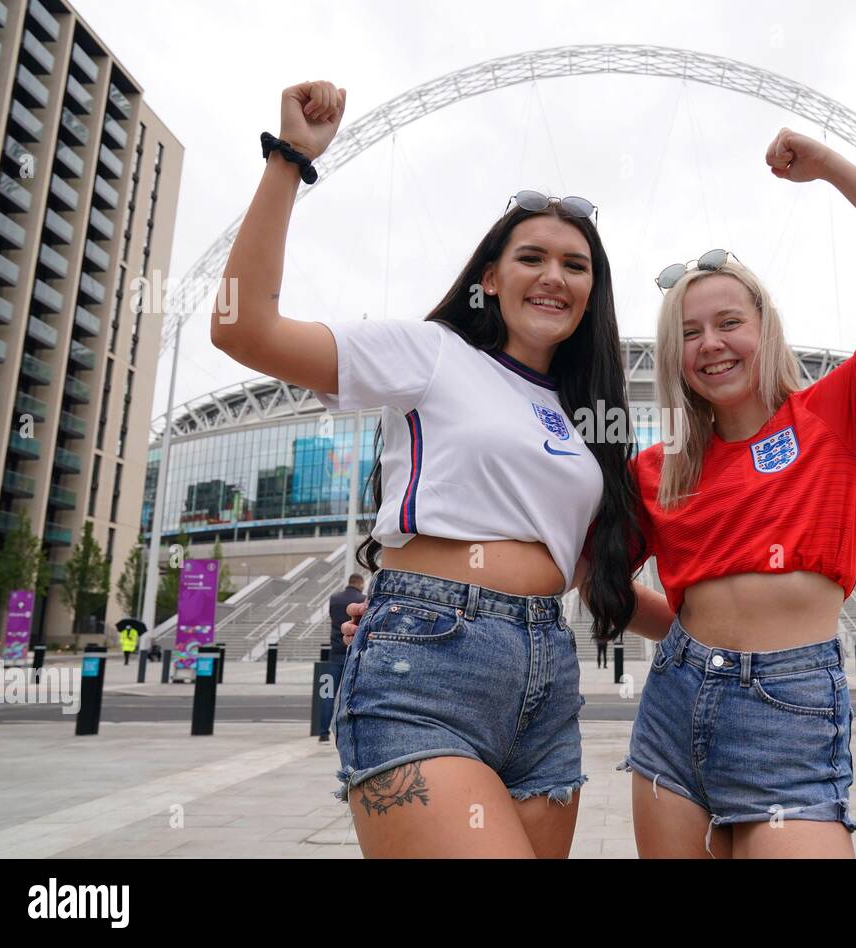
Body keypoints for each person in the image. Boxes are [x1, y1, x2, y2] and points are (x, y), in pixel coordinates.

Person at [348, 128, 856, 858]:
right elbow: (574, 572)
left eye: (728, 323)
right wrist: (409, 594)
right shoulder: (655, 470)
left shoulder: (837, 412)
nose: (710, 343)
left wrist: (831, 169)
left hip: (791, 714)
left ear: (764, 328)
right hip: (675, 715)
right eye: (689, 332)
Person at [211, 80, 646, 858]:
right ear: (488, 278)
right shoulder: (429, 353)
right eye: (532, 257)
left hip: (548, 679)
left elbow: (582, 570)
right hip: (427, 661)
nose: (555, 275)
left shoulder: (588, 428)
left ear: (591, 293)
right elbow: (243, 328)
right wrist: (290, 161)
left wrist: (730, 635)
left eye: (575, 266)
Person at [328, 574, 366, 664]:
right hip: (355, 648)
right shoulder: (363, 600)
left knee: (334, 677)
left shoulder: (334, 598)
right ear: (361, 584)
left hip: (336, 647)